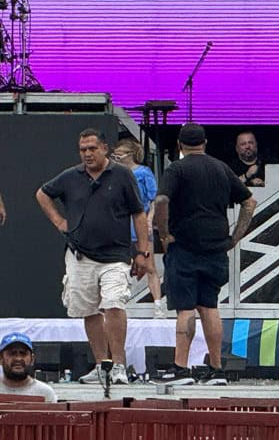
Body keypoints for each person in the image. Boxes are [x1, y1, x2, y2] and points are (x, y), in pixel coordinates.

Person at [36, 128, 150, 385]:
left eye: (92, 149)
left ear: (105, 149)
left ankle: (119, 364)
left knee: (114, 304)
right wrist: (58, 221)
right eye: (83, 149)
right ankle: (102, 365)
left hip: (116, 255)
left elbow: (139, 213)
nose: (87, 154)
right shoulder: (71, 176)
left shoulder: (122, 175)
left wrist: (143, 252)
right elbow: (42, 194)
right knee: (88, 310)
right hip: (80, 254)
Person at [153, 123, 256, 385]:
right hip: (216, 247)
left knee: (185, 309)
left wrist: (164, 234)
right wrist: (236, 236)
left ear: (179, 145)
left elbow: (162, 201)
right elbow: (249, 201)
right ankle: (217, 369)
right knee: (210, 306)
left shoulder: (176, 169)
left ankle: (180, 368)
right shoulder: (221, 168)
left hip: (185, 247)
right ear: (205, 143)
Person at [111, 139, 165, 319]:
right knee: (121, 266)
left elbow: (153, 199)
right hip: (121, 224)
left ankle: (158, 305)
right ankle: (120, 306)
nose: (116, 158)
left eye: (120, 155)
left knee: (150, 266)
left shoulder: (144, 173)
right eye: (114, 155)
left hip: (140, 224)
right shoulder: (115, 173)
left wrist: (150, 220)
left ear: (131, 155)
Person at [0, 332, 57, 402]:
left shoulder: (45, 393)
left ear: (32, 359)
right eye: (12, 353)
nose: (18, 359)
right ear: (1, 359)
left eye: (23, 353)